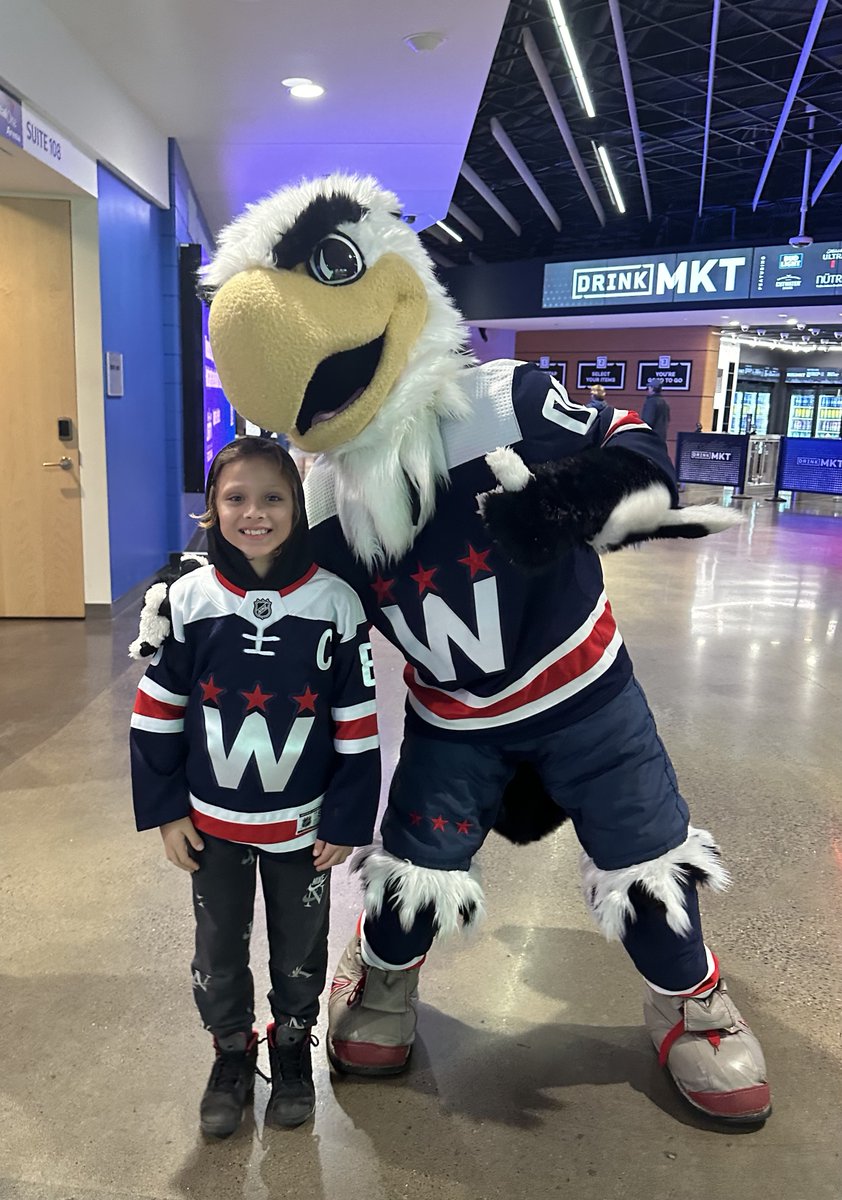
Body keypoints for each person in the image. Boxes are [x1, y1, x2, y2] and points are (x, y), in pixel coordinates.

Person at [129, 437, 380, 1137]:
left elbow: (357, 718)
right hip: (213, 824)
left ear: (298, 508)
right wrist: (166, 810)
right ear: (211, 509)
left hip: (303, 826)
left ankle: (292, 1048)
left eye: (273, 497)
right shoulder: (187, 599)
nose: (254, 513)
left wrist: (347, 814)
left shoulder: (336, 601)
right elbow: (156, 713)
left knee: (301, 948)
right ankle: (232, 1052)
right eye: (236, 498)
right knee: (217, 946)